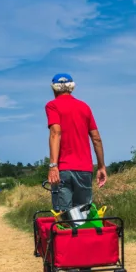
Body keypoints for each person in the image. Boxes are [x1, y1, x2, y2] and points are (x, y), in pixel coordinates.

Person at [45, 73, 107, 211]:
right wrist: (101, 167)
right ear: (72, 88)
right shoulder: (84, 107)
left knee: (63, 216)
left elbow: (55, 132)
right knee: (83, 214)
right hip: (85, 169)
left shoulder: (52, 106)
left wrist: (53, 165)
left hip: (63, 169)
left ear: (53, 89)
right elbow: (96, 138)